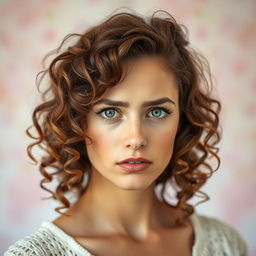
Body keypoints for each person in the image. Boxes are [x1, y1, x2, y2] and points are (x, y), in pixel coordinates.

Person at [5, 10, 247, 256]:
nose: (136, 139)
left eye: (157, 112)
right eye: (110, 112)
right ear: (77, 122)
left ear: (182, 120)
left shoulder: (226, 245)